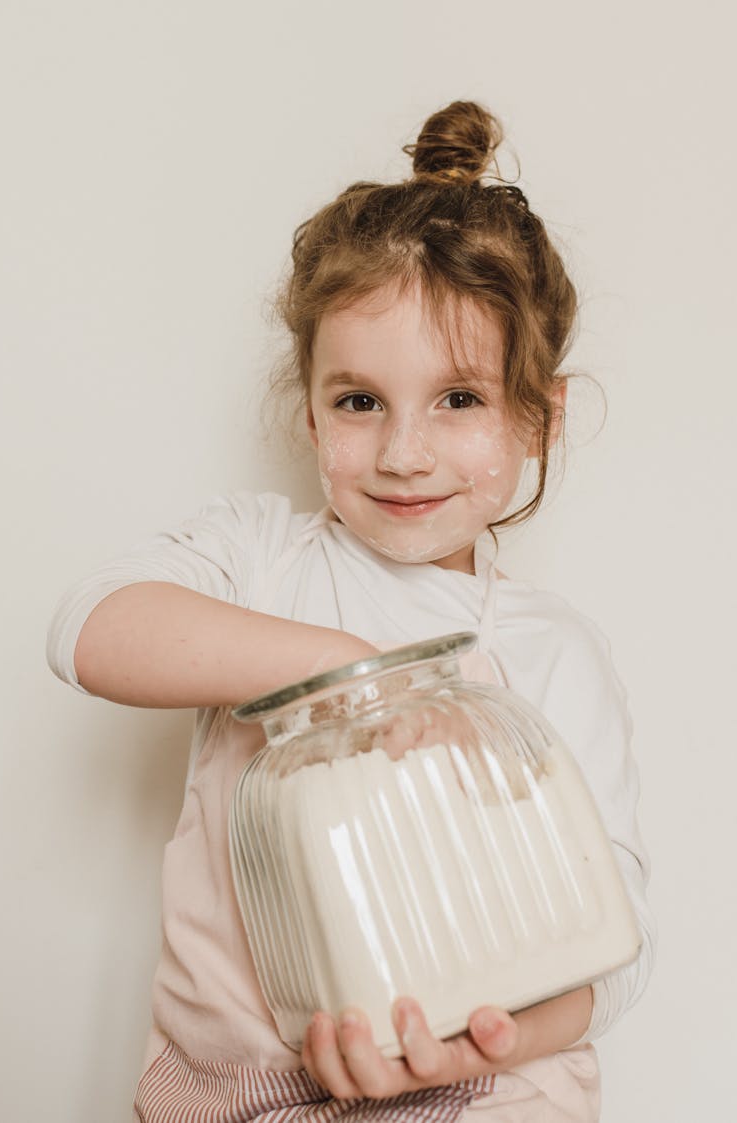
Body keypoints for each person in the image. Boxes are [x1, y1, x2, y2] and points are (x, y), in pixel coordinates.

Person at [47, 100, 654, 1122]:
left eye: (458, 399)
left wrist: (484, 1040)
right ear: (311, 402)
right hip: (232, 1087)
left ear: (537, 416)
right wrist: (353, 667)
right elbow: (89, 629)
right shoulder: (259, 563)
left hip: (480, 1086)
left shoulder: (551, 652)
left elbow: (621, 937)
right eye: (359, 400)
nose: (402, 451)